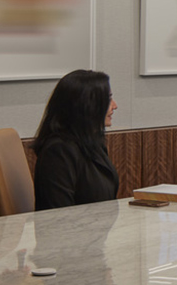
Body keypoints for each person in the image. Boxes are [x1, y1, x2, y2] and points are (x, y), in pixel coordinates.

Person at [32, 69, 120, 209]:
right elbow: (59, 214)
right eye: (108, 100)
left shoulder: (93, 141)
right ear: (87, 106)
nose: (114, 106)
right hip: (73, 229)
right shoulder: (58, 151)